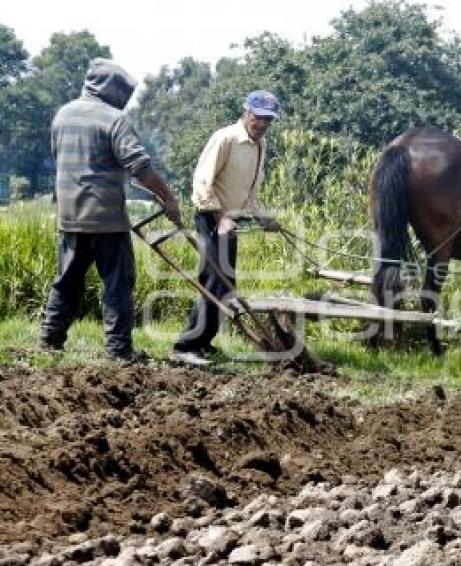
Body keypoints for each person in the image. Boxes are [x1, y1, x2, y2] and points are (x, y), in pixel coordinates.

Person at [40, 58, 182, 361]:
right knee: (118, 284)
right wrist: (168, 199)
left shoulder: (62, 115)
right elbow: (139, 165)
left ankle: (50, 342)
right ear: (112, 89)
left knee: (66, 281)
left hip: (69, 216)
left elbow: (60, 157)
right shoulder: (113, 118)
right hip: (106, 220)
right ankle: (119, 351)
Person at [171, 90, 282, 366]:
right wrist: (220, 218)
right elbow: (202, 182)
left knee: (226, 284)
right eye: (259, 118)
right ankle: (185, 346)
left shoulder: (260, 145)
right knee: (215, 281)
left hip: (233, 221)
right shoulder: (225, 138)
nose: (263, 125)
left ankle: (202, 343)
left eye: (268, 120)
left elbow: (249, 190)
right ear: (246, 113)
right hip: (212, 218)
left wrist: (262, 217)